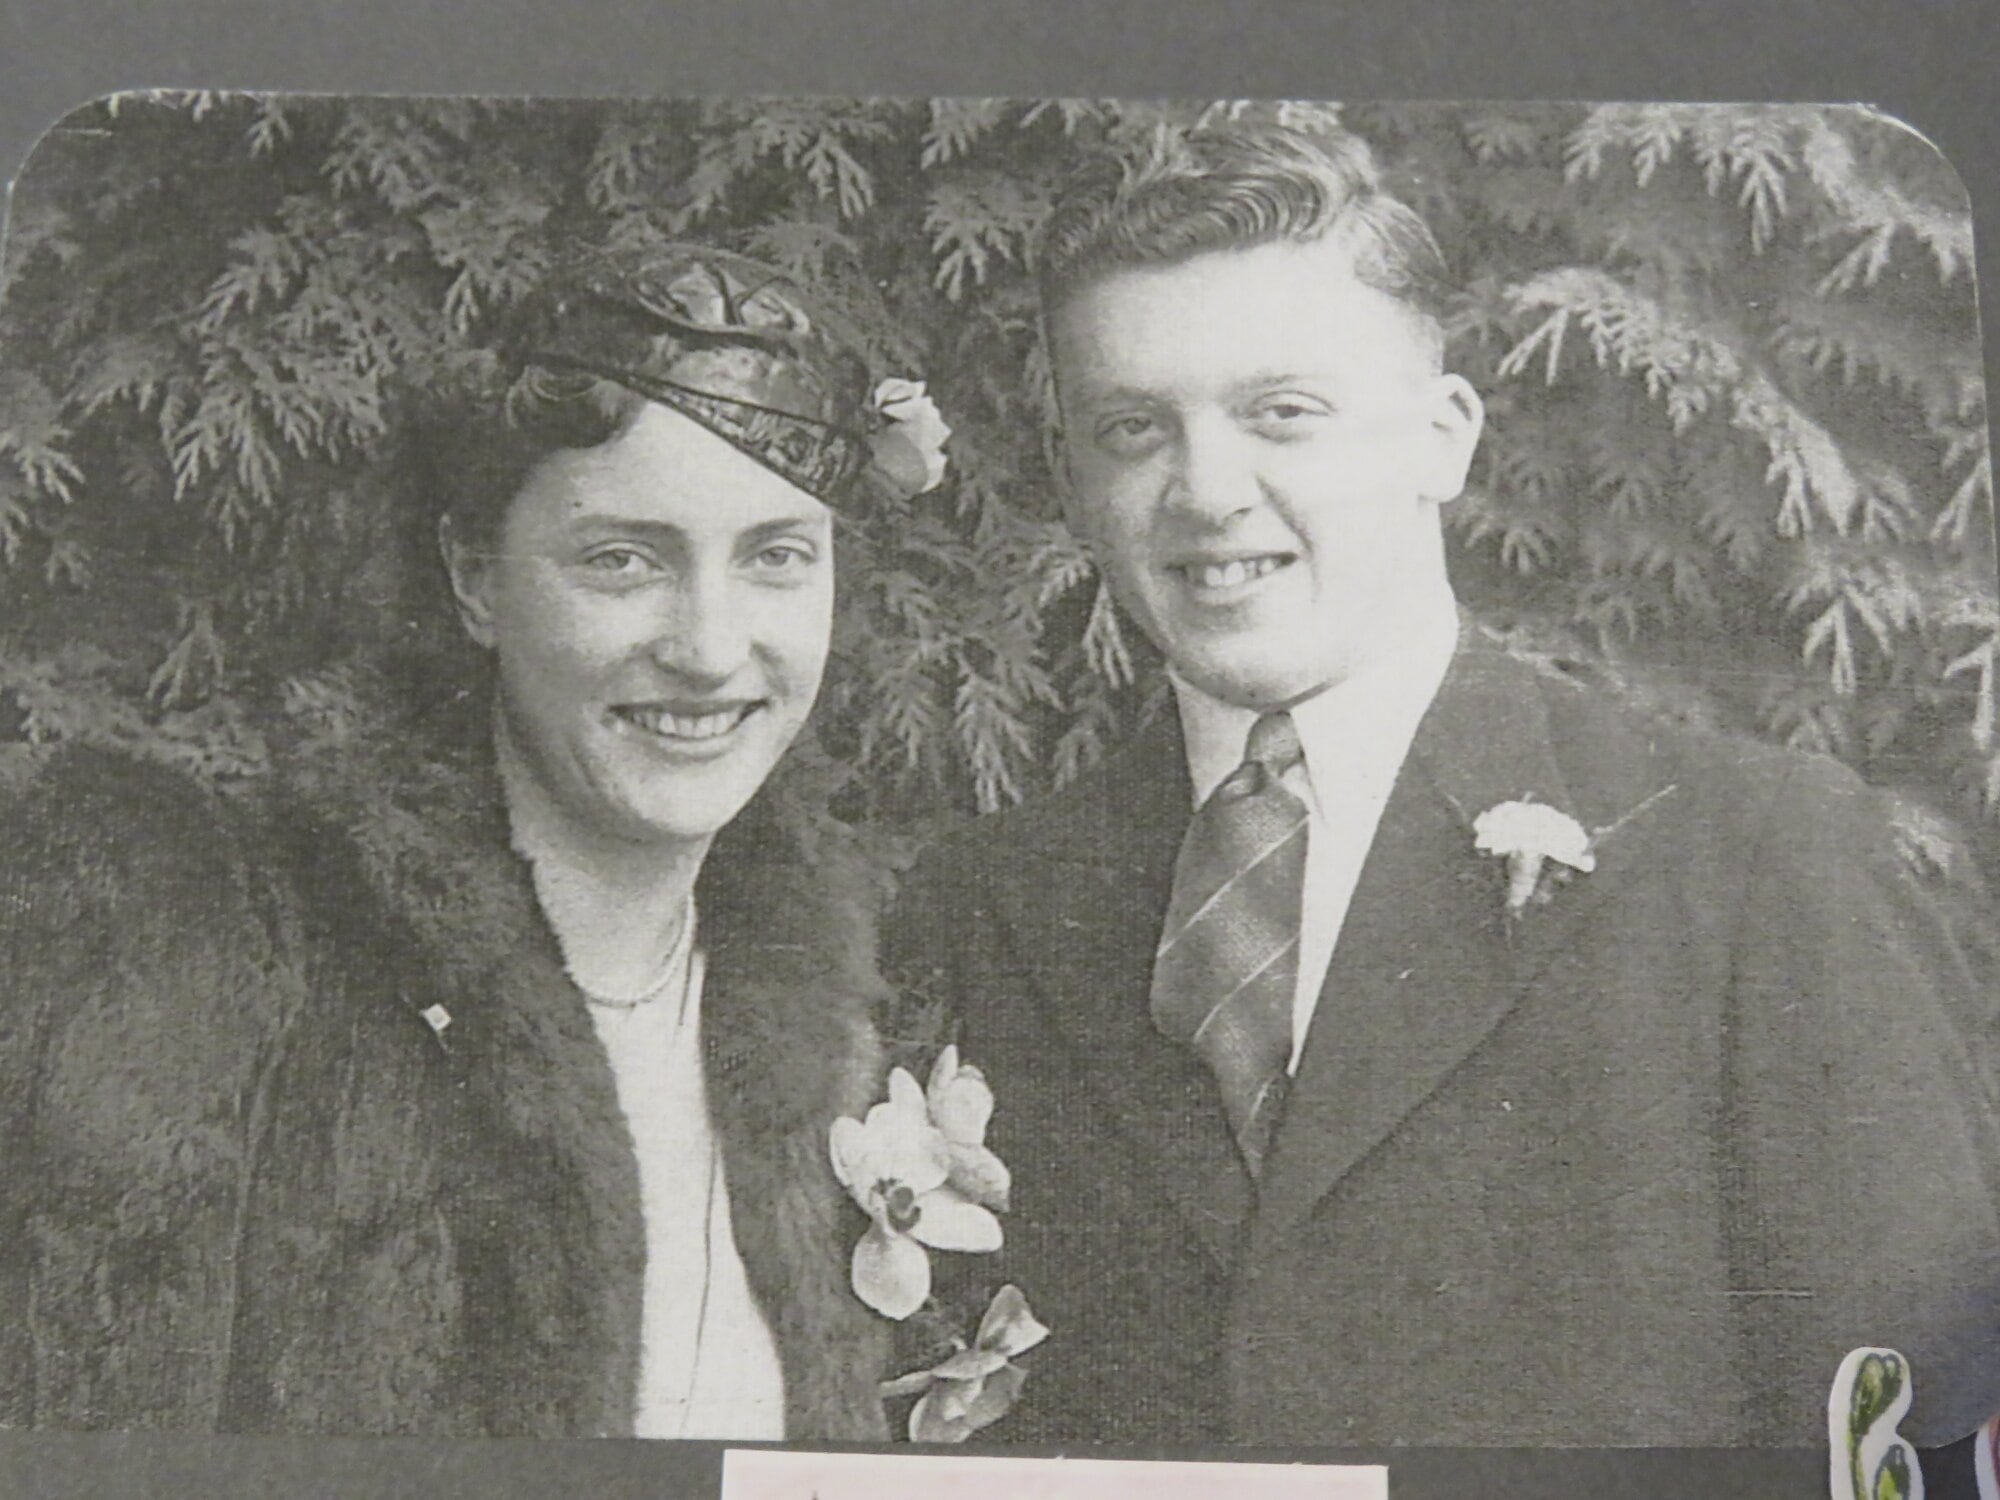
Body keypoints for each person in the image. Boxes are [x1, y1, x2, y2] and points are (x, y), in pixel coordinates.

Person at [884, 124, 2000, 1451]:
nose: (1206, 490)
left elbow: (1923, 1433)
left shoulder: (1754, 858)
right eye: (1134, 429)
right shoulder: (993, 899)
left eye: (1280, 412)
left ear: (1443, 438)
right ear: (1073, 484)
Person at [0, 241, 952, 1439]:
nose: (711, 648)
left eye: (774, 557)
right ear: (474, 579)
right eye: (622, 559)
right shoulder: (220, 958)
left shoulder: (839, 1032)